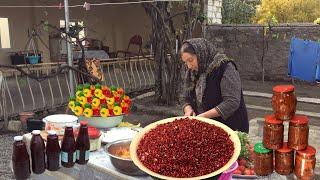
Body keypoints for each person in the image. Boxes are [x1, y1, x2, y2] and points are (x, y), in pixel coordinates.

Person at [181, 38, 249, 133]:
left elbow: (231, 102)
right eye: (185, 62)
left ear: (201, 54)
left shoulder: (225, 68)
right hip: (207, 127)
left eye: (191, 60)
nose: (189, 66)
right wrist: (188, 110)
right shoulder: (193, 72)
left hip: (230, 128)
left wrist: (204, 116)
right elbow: (185, 97)